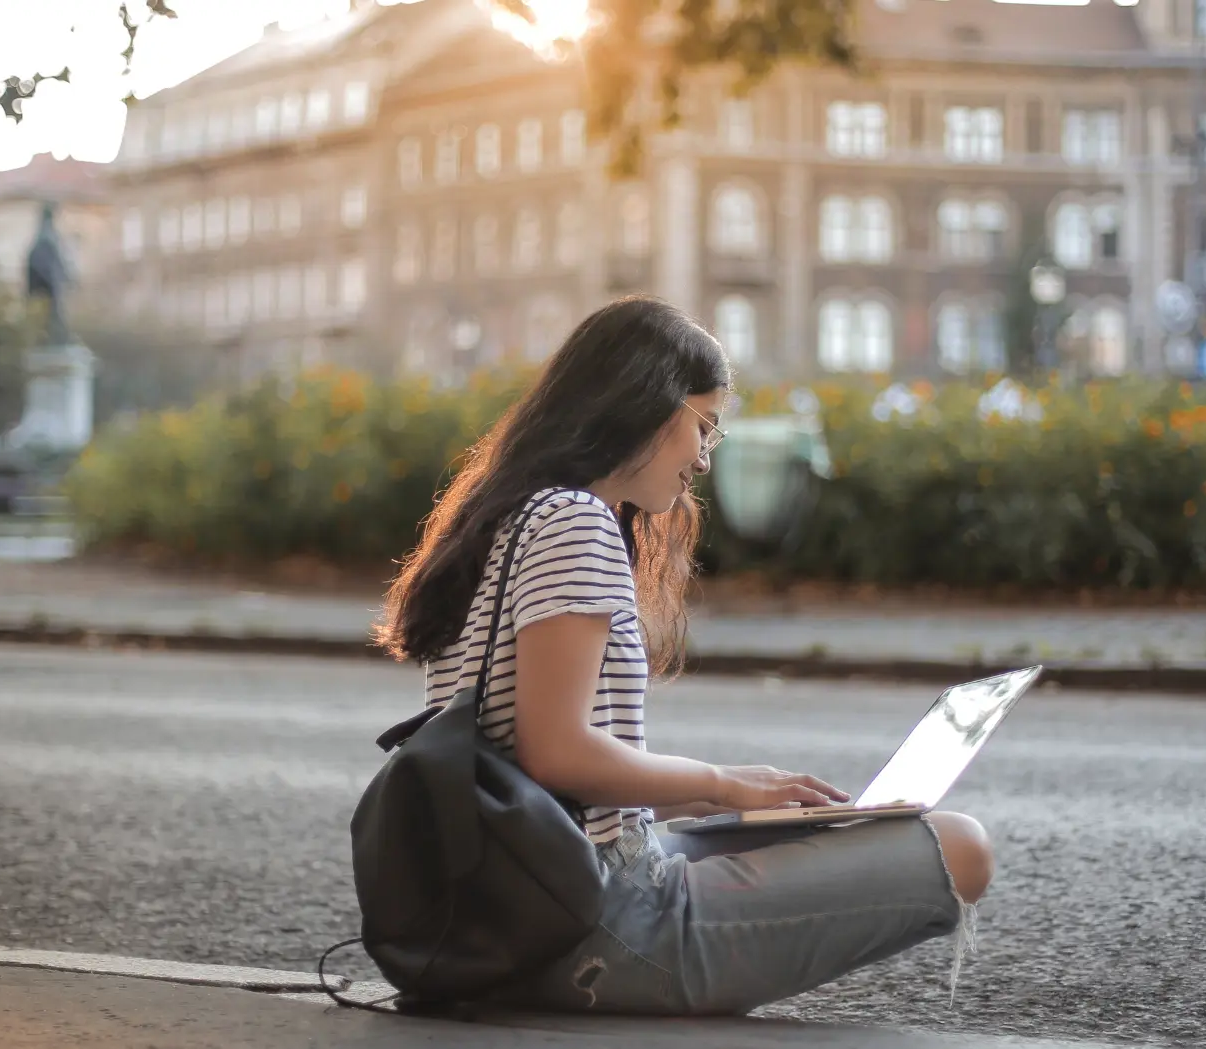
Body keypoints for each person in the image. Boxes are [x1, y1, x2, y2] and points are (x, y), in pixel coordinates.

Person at [375, 296, 993, 1015]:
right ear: (643, 403)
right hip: (586, 923)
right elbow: (556, 753)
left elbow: (529, 756)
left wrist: (729, 788)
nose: (703, 457)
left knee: (822, 828)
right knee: (959, 847)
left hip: (515, 899)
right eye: (702, 426)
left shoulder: (501, 516)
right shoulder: (575, 520)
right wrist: (726, 788)